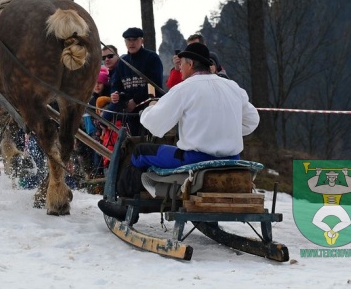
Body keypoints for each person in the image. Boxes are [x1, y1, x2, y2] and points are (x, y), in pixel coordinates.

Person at [100, 42, 260, 217]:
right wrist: (225, 130)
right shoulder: (233, 87)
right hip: (231, 159)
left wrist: (150, 108)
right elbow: (252, 121)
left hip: (196, 159)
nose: (179, 69)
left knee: (139, 152)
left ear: (190, 64)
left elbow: (155, 124)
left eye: (181, 64)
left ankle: (124, 205)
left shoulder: (185, 88)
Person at [108, 27, 163, 137]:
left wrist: (135, 101)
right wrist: (115, 94)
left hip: (149, 109)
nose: (131, 43)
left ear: (141, 41)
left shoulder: (152, 58)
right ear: (125, 42)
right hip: (129, 110)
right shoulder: (122, 62)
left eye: (135, 39)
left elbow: (154, 84)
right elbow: (116, 84)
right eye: (128, 40)